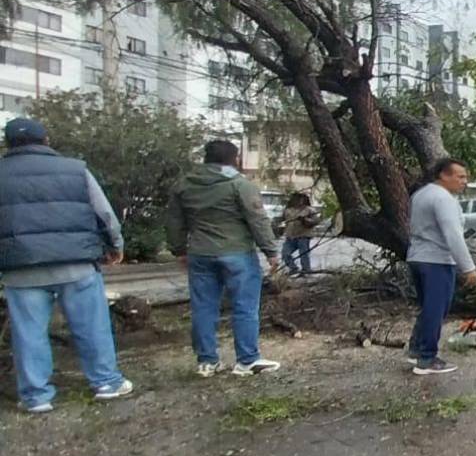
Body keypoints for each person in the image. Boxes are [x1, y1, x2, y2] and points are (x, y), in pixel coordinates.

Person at [0, 118, 135, 412]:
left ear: (8, 144)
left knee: (28, 334)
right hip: (76, 263)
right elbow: (104, 213)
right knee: (92, 327)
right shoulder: (75, 169)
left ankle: (36, 397)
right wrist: (115, 246)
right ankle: (107, 383)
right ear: (46, 140)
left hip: (21, 268)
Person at [166, 140, 281, 377]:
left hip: (199, 253)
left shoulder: (184, 185)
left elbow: (174, 221)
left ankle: (207, 361)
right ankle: (247, 359)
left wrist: (179, 250)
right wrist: (271, 251)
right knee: (244, 307)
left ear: (206, 159)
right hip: (237, 253)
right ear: (234, 158)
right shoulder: (239, 185)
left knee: (203, 308)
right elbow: (257, 219)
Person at [407, 158, 476, 375]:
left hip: (417, 257)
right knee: (437, 310)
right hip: (436, 260)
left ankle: (416, 351)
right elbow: (453, 235)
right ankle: (427, 359)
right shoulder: (443, 199)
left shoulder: (421, 194)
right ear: (444, 175)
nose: (464, 181)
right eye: (460, 176)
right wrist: (468, 267)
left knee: (428, 308)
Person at [281, 192, 321, 275]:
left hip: (303, 236)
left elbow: (316, 221)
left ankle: (306, 270)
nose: (299, 201)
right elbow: (284, 221)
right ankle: (293, 268)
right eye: (297, 199)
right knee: (285, 253)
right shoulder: (288, 210)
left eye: (301, 199)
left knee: (304, 254)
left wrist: (305, 220)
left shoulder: (310, 210)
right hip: (290, 236)